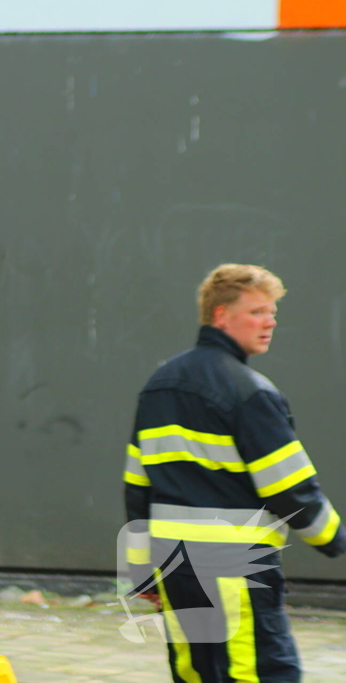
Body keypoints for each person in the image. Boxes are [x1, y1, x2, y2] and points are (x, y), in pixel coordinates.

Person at [124, 264, 345, 683]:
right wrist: (334, 539)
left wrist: (141, 573)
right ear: (222, 315)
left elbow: (138, 487)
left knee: (196, 672)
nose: (270, 321)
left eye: (272, 312)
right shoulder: (251, 391)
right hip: (233, 568)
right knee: (257, 673)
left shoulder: (159, 385)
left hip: (174, 565)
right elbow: (292, 489)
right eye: (258, 312)